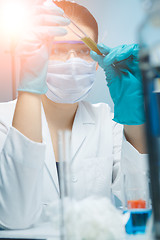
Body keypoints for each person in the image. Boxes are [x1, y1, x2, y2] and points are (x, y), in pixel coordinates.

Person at [0, 0, 148, 230]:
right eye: (57, 49)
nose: (72, 61)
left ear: (97, 62)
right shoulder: (3, 120)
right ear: (37, 56)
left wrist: (135, 117)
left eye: (82, 50)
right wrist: (29, 84)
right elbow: (14, 219)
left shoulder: (108, 123)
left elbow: (141, 200)